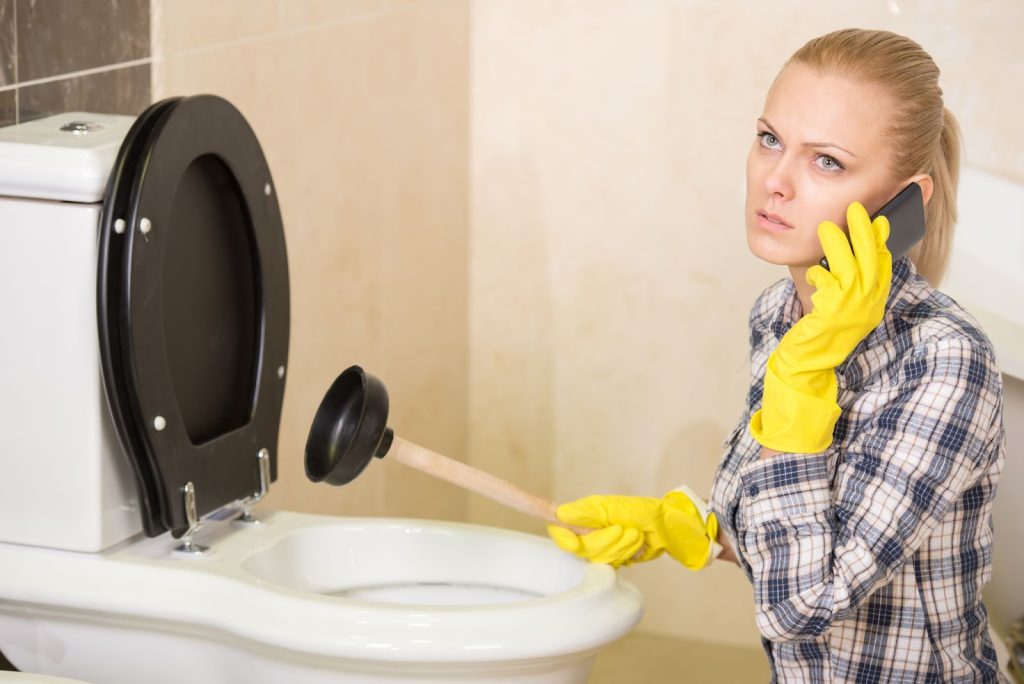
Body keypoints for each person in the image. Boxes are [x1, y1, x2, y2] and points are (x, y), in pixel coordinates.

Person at [547, 28, 1007, 682]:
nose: (776, 182)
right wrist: (692, 529)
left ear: (905, 202)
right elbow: (805, 523)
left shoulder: (942, 362)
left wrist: (803, 375)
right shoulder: (779, 313)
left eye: (828, 162)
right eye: (770, 140)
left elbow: (804, 605)